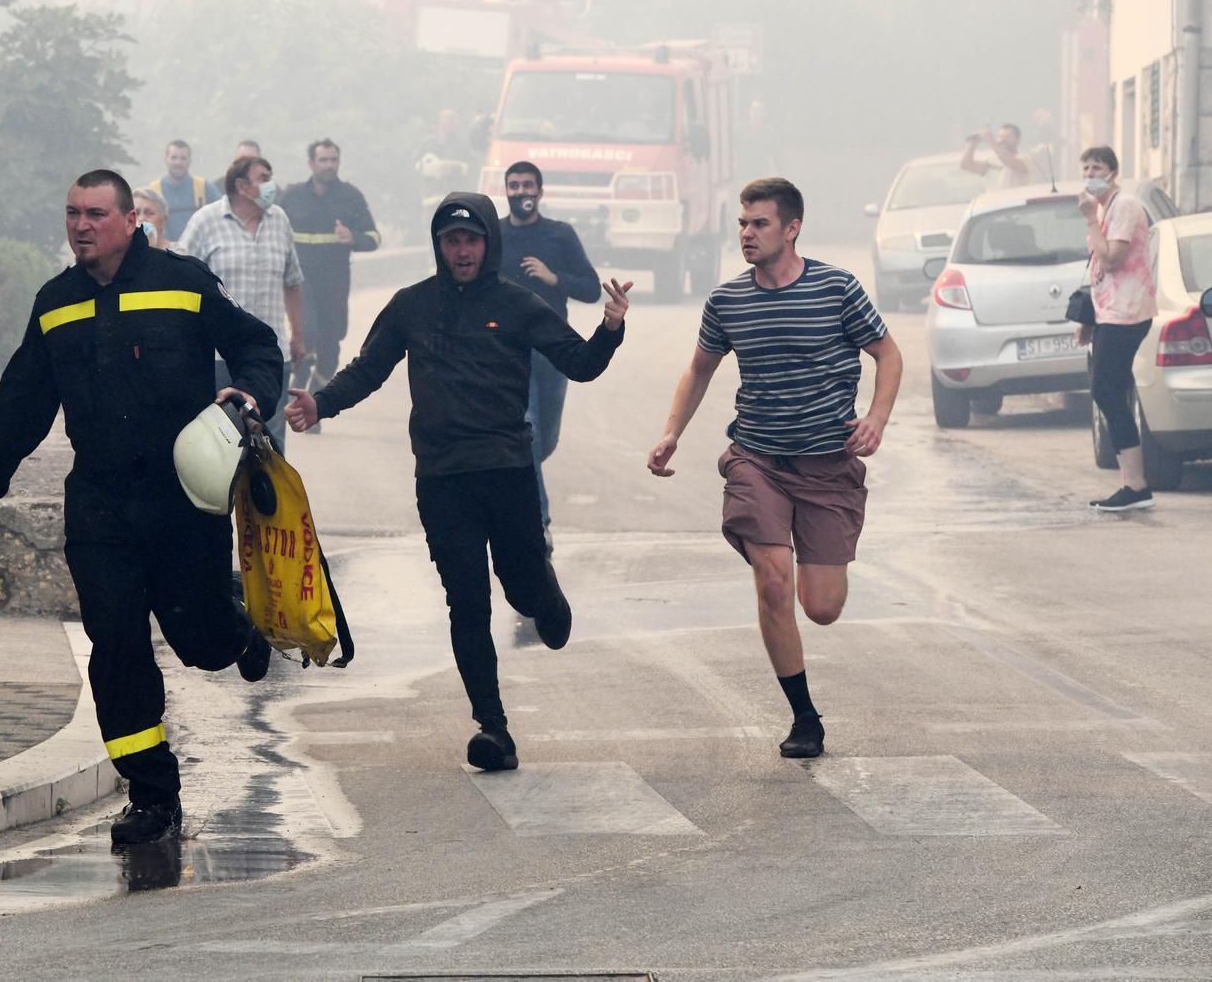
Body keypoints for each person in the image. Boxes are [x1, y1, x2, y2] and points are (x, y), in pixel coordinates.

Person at [0, 169, 284, 845]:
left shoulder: (183, 282)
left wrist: (249, 393)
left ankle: (240, 628)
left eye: (96, 214)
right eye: (72, 213)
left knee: (201, 644)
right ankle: (152, 793)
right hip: (101, 502)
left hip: (183, 499)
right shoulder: (57, 303)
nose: (81, 225)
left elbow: (255, 343)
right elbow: (23, 399)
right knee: (117, 645)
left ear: (130, 218)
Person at [285, 192, 630, 772]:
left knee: (519, 588)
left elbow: (581, 363)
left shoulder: (517, 304)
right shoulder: (411, 306)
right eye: (452, 240)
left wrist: (610, 328)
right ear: (439, 245)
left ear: (488, 243)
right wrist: (321, 404)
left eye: (472, 240)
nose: (462, 250)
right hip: (443, 478)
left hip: (508, 472)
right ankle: (492, 728)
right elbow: (368, 369)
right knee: (465, 602)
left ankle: (543, 595)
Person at [645, 178, 901, 760]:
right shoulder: (728, 300)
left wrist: (876, 419)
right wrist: (671, 433)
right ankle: (804, 716)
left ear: (792, 228)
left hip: (826, 466)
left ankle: (807, 660)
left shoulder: (836, 288)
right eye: (741, 223)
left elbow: (888, 353)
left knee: (822, 606)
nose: (746, 234)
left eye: (759, 224)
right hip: (756, 457)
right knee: (772, 582)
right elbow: (700, 369)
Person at [496, 160, 601, 543]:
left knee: (546, 439)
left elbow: (591, 288)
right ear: (505, 190)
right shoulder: (495, 236)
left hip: (552, 349)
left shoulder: (560, 235)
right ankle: (538, 523)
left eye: (528, 185)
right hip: (508, 351)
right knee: (529, 431)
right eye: (514, 185)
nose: (521, 192)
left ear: (539, 192)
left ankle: (517, 478)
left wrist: (554, 278)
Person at [180, 154, 306, 451]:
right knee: (221, 442)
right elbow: (184, 277)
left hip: (274, 354)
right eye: (263, 178)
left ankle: (268, 498)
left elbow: (292, 281)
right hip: (220, 357)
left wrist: (298, 336)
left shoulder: (280, 220)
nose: (270, 185)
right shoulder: (206, 221)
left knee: (271, 442)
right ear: (241, 185)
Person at [278, 139, 381, 426]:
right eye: (323, 160)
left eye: (333, 160)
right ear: (311, 163)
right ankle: (297, 382)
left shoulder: (351, 197)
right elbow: (270, 228)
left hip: (335, 285)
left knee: (330, 345)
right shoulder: (292, 196)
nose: (328, 165)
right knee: (307, 333)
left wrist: (355, 238)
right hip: (300, 283)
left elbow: (374, 237)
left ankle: (313, 402)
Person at [1078, 145, 1157, 511]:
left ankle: (1136, 485)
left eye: (1096, 167)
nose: (1090, 174)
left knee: (1105, 389)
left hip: (1128, 312)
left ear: (1112, 171)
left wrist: (1091, 221)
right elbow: (1096, 268)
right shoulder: (1104, 207)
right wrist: (1089, 320)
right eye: (1085, 168)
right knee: (1111, 389)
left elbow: (1112, 259)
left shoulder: (1123, 206)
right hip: (1109, 313)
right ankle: (1131, 483)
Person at [145, 140, 221, 241]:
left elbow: (223, 214)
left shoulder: (204, 188)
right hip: (163, 253)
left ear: (189, 161)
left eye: (183, 158)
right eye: (174, 158)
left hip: (198, 253)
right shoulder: (153, 191)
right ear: (166, 159)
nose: (178, 162)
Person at [960, 123, 1035, 188]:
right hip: (995, 203)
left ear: (1017, 139)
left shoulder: (1025, 159)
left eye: (1007, 137)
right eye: (1000, 137)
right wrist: (972, 143)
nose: (1002, 140)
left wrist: (991, 141)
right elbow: (966, 165)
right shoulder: (992, 162)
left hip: (1017, 203)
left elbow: (1011, 163)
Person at [132, 187, 184, 254]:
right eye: (137, 213)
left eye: (149, 213)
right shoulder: (125, 253)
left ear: (163, 219)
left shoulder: (177, 253)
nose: (141, 218)